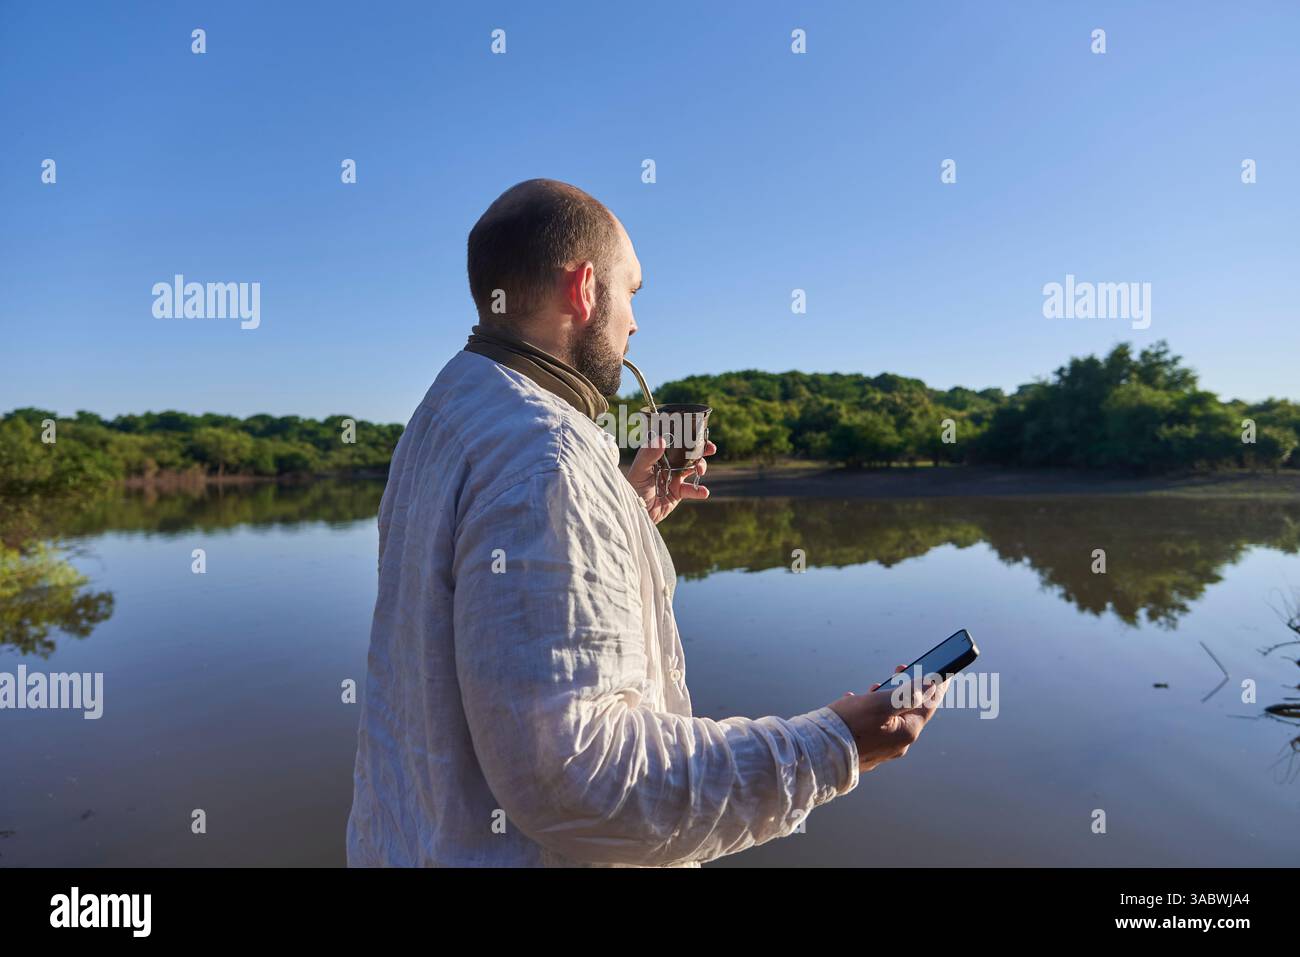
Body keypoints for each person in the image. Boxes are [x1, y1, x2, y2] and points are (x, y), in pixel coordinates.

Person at [345, 178, 948, 867]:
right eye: (632, 291)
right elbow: (584, 781)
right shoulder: (548, 455)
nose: (635, 322)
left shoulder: (445, 414)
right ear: (585, 290)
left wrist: (621, 514)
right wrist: (838, 744)